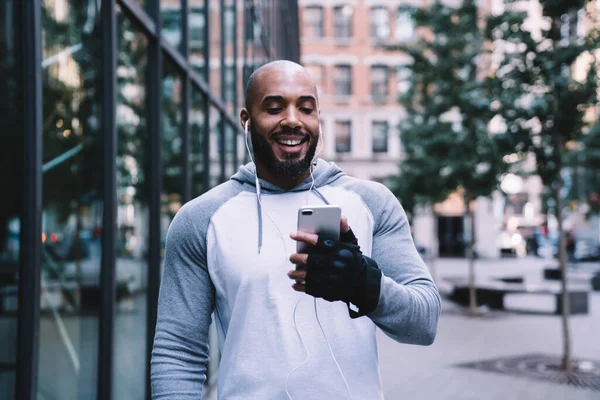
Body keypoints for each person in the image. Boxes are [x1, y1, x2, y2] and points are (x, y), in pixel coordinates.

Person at [151, 60, 441, 399]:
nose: (292, 120)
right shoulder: (201, 219)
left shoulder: (372, 202)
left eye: (306, 108)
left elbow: (425, 323)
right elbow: (178, 351)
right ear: (246, 120)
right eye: (274, 108)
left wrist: (365, 285)